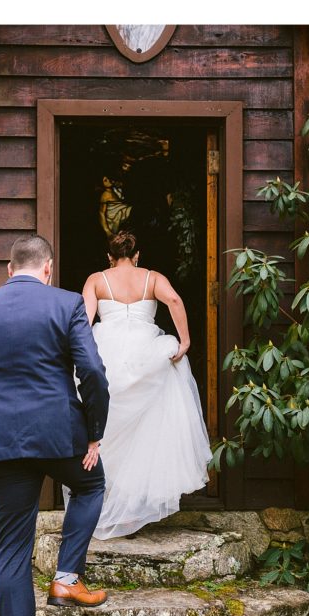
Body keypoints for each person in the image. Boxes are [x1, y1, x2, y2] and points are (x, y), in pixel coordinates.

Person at [0, 234, 111, 616]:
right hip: (61, 436)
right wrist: (93, 433)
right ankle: (66, 578)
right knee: (91, 484)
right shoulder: (65, 305)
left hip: (1, 444)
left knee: (13, 548)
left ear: (8, 270)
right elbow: (93, 372)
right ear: (48, 269)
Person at [74, 229, 212, 539]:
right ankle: (135, 506)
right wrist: (185, 341)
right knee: (146, 428)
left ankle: (107, 500)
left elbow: (85, 319)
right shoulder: (152, 278)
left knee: (108, 429)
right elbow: (174, 300)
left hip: (108, 353)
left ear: (109, 257)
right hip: (145, 353)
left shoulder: (97, 279)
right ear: (137, 256)